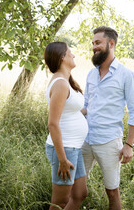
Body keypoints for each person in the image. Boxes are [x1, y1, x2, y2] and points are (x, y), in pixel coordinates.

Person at [81, 26, 134, 210]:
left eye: (98, 42)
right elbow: (86, 107)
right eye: (93, 43)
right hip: (85, 140)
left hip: (109, 141)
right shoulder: (91, 74)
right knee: (76, 187)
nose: (94, 46)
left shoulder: (126, 75)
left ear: (111, 43)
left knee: (112, 191)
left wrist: (129, 145)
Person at [44, 42, 88, 210]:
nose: (73, 55)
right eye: (71, 52)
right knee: (60, 202)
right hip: (65, 150)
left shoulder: (66, 82)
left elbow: (70, 112)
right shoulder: (61, 84)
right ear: (62, 57)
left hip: (74, 148)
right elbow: (53, 123)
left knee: (80, 194)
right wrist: (62, 159)